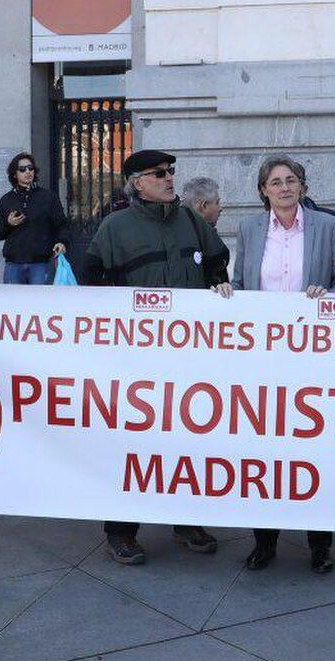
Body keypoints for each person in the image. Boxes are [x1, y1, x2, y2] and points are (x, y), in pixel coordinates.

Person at [80, 149, 231, 565]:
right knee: (133, 444)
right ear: (137, 183)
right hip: (138, 360)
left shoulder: (192, 222)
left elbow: (217, 262)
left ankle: (186, 522)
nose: (169, 178)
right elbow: (92, 281)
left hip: (190, 356)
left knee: (189, 440)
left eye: (171, 172)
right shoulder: (115, 227)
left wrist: (217, 289)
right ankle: (121, 531)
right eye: (159, 173)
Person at [234, 155, 335, 573]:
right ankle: (264, 542)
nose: (284, 188)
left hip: (311, 358)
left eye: (290, 180)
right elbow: (241, 284)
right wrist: (226, 295)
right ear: (263, 191)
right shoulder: (249, 229)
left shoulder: (327, 226)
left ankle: (320, 545)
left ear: (302, 187)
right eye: (275, 182)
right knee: (263, 451)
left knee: (313, 449)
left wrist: (329, 297)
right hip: (262, 359)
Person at [0, 153, 68, 284]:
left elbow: (61, 224)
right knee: (12, 297)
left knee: (39, 298)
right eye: (22, 169)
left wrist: (62, 242)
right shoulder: (6, 200)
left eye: (30, 168)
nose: (27, 171)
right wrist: (8, 223)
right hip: (13, 264)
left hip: (40, 263)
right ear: (15, 174)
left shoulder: (48, 197)